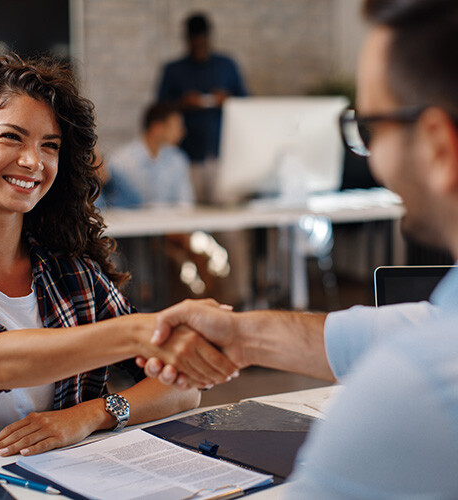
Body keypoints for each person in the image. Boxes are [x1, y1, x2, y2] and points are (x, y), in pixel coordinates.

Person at [141, 0, 458, 496]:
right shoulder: (438, 334)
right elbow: (400, 328)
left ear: (439, 146)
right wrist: (242, 337)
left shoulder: (409, 396)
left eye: (371, 129)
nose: (371, 158)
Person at [0, 52, 238, 452]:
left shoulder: (70, 271)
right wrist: (139, 333)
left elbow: (181, 387)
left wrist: (90, 414)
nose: (33, 161)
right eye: (12, 136)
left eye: (50, 145)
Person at [157, 13, 247, 202]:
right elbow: (159, 109)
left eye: (202, 40)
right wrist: (183, 103)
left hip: (223, 153)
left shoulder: (226, 65)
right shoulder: (174, 70)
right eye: (194, 41)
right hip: (187, 155)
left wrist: (228, 100)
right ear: (187, 40)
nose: (199, 45)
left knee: (228, 219)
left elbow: (247, 103)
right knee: (191, 215)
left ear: (209, 38)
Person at [100, 102, 194, 208]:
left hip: (171, 223)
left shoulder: (178, 159)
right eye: (177, 127)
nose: (182, 132)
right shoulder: (121, 161)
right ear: (157, 128)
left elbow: (185, 203)